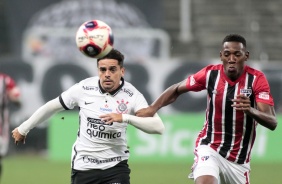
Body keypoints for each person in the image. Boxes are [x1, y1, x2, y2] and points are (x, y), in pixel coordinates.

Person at [136, 34, 278, 184]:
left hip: (239, 161)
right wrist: (152, 108)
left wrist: (250, 110)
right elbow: (177, 88)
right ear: (221, 55)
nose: (231, 59)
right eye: (227, 54)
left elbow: (272, 122)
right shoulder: (210, 74)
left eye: (237, 54)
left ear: (246, 56)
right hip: (210, 147)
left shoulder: (256, 79)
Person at [11, 48, 165, 184]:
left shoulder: (132, 95)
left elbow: (159, 127)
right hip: (84, 166)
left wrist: (124, 118)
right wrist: (24, 128)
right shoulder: (84, 88)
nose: (107, 75)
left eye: (112, 70)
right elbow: (52, 107)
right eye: (102, 70)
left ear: (122, 71)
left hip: (116, 166)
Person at [0, 73, 21, 181]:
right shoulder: (5, 80)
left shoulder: (5, 80)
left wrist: (15, 99)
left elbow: (16, 95)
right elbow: (16, 96)